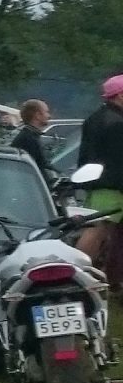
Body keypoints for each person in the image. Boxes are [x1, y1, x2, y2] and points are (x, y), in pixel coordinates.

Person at [78, 74, 123, 272]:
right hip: (112, 186)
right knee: (97, 230)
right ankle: (77, 270)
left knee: (100, 231)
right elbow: (119, 159)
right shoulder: (118, 123)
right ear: (120, 95)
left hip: (96, 182)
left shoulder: (95, 117)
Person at [11, 98, 54, 178]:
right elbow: (42, 167)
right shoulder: (29, 139)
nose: (49, 116)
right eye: (47, 112)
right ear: (37, 115)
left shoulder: (28, 136)